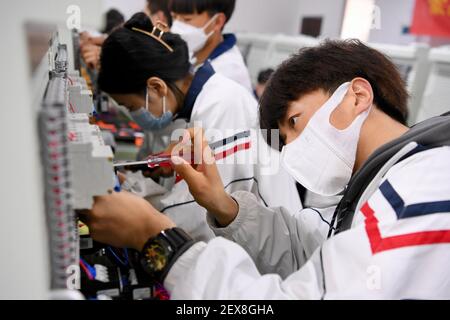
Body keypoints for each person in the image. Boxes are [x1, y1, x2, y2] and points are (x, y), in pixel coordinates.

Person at [82, 39, 450, 299]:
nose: (291, 150)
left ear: (357, 96)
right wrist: (224, 206)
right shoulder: (380, 186)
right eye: (284, 139)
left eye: (294, 120)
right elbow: (311, 250)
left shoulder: (419, 190)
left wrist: (160, 242)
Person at [97, 13, 301, 242]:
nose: (134, 116)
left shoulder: (222, 105)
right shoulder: (196, 103)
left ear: (156, 87)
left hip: (275, 248)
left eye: (131, 106)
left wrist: (124, 191)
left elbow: (193, 217)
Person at [170, 0, 253, 92]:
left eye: (187, 19)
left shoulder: (227, 74)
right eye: (174, 17)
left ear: (217, 21)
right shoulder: (192, 54)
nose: (176, 27)